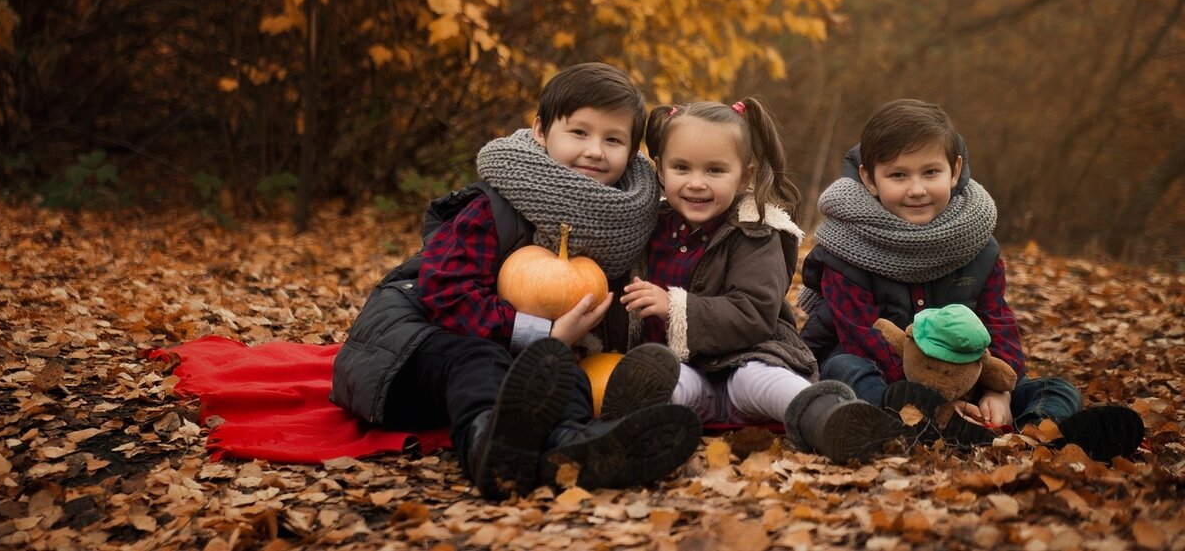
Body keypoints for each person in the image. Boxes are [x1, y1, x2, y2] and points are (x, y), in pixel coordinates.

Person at [330, 63, 702, 500]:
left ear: (632, 151)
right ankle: (489, 450)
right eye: (579, 133)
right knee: (482, 360)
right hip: (407, 354)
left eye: (613, 139)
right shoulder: (494, 206)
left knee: (558, 369)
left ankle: (574, 447)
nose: (596, 151)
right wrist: (544, 334)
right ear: (542, 131)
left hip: (520, 366)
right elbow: (446, 296)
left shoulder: (623, 224)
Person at [799, 98, 1144, 461]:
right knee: (843, 369)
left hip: (968, 374)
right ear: (869, 178)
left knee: (1055, 389)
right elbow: (860, 334)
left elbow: (997, 319)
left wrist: (1000, 392)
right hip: (886, 375)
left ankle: (1044, 437)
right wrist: (939, 401)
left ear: (954, 169)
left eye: (930, 172)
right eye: (898, 175)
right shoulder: (846, 248)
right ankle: (917, 425)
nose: (916, 189)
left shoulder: (977, 246)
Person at [605, 98, 907, 464]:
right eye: (681, 167)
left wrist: (675, 306)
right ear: (660, 169)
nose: (696, 183)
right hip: (682, 369)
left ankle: (831, 419)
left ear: (745, 176)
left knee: (765, 382)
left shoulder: (756, 230)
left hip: (747, 358)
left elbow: (755, 313)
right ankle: (644, 439)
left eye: (715, 171)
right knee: (658, 382)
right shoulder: (649, 225)